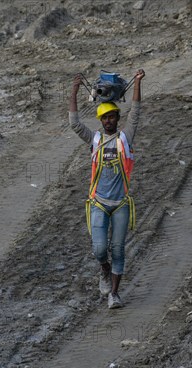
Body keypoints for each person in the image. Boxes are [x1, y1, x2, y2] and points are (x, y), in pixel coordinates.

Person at [69, 69, 145, 309]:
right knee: (100, 249)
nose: (109, 120)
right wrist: (75, 88)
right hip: (99, 203)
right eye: (105, 118)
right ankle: (104, 270)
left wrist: (138, 84)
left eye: (112, 117)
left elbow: (136, 114)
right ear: (101, 121)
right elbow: (74, 123)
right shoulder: (94, 140)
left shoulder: (125, 138)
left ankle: (114, 293)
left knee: (118, 250)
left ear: (116, 118)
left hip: (121, 203)